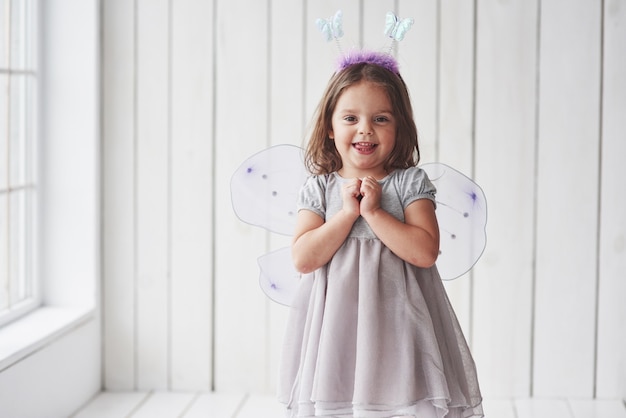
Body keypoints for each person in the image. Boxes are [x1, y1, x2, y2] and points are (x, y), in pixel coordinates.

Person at [277, 50, 484, 418]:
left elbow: (424, 252)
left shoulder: (408, 182)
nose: (365, 129)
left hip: (398, 323)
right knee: (340, 395)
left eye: (381, 118)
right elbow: (303, 258)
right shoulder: (320, 189)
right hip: (335, 328)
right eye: (351, 118)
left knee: (403, 397)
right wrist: (346, 215)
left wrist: (373, 212)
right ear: (330, 126)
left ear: (399, 126)